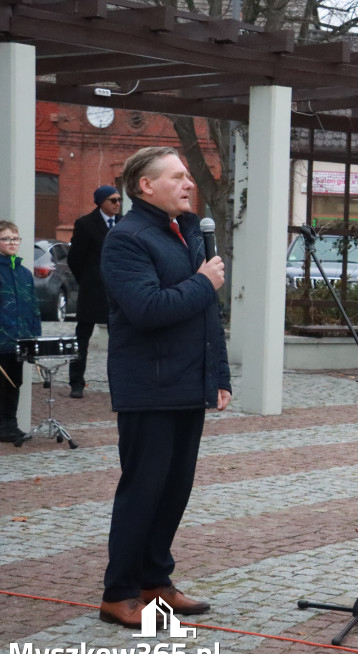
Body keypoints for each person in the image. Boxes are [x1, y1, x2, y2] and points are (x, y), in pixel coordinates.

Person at [99, 147, 231, 628]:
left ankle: (156, 583)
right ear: (144, 186)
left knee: (174, 490)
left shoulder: (187, 232)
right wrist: (202, 281)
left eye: (188, 176)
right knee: (143, 489)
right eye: (176, 176)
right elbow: (147, 309)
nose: (188, 183)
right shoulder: (127, 240)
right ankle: (119, 593)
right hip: (148, 386)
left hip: (187, 384)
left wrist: (218, 376)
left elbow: (206, 315)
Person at [67, 185, 121, 398]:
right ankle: (76, 382)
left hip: (117, 291)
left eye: (118, 199)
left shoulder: (124, 222)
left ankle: (119, 382)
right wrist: (88, 280)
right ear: (101, 202)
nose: (117, 204)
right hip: (92, 290)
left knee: (120, 338)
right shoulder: (86, 224)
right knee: (82, 337)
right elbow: (75, 258)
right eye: (112, 200)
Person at [0, 221, 41, 442]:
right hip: (2, 339)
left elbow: (33, 307)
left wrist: (35, 337)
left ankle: (10, 424)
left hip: (20, 340)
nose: (11, 243)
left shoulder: (24, 273)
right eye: (6, 239)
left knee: (16, 382)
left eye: (15, 239)